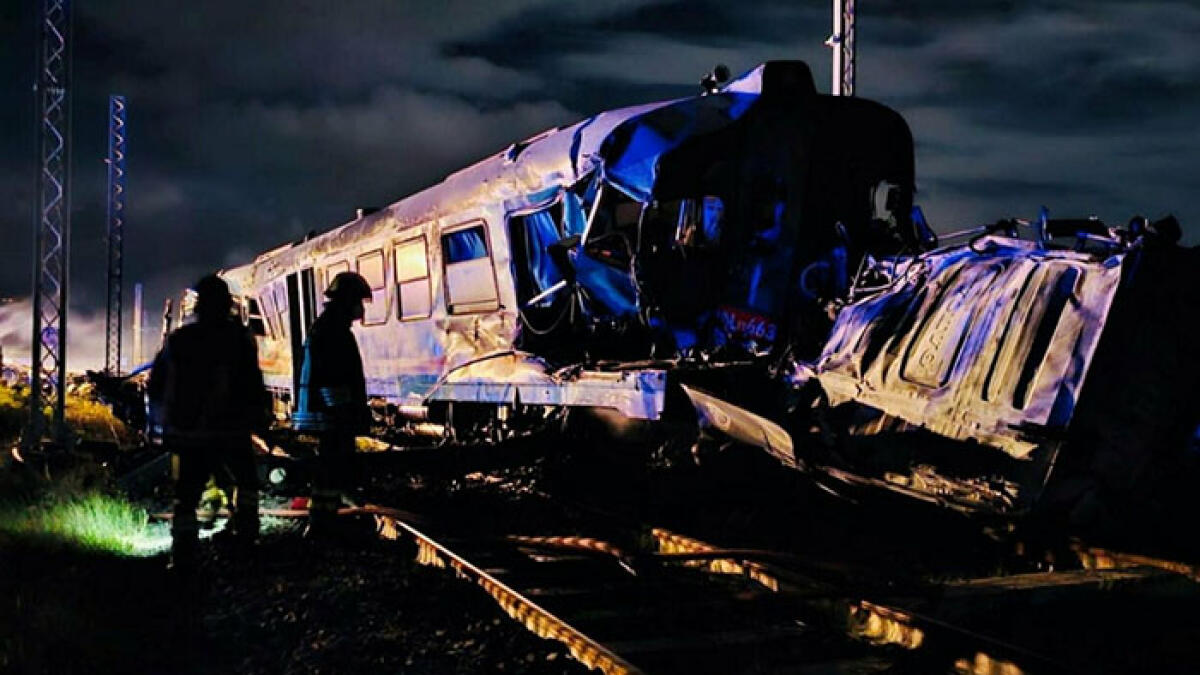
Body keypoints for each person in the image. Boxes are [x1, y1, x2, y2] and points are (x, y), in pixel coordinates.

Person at [147, 275, 269, 572]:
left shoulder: (179, 340)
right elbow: (252, 382)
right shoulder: (239, 338)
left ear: (198, 306)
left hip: (190, 434)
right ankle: (247, 541)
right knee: (246, 485)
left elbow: (156, 385)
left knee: (186, 498)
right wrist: (259, 418)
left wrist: (162, 426)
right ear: (228, 304)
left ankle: (184, 554)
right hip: (231, 431)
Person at [293, 271, 373, 538]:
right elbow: (334, 376)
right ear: (347, 301)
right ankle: (323, 524)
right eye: (358, 302)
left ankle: (326, 520)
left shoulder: (326, 327)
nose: (361, 310)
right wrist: (346, 412)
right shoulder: (333, 332)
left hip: (328, 413)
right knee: (332, 467)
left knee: (330, 469)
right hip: (332, 414)